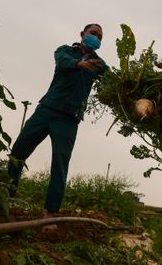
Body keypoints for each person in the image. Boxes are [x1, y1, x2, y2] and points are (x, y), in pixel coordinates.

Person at [7, 24, 108, 219]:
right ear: (82, 34)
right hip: (46, 109)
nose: (96, 37)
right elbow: (62, 62)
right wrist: (79, 64)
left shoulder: (99, 64)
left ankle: (51, 212)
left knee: (60, 163)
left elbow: (111, 79)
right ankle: (7, 195)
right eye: (93, 33)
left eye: (100, 36)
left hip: (69, 119)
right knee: (19, 151)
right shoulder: (64, 51)